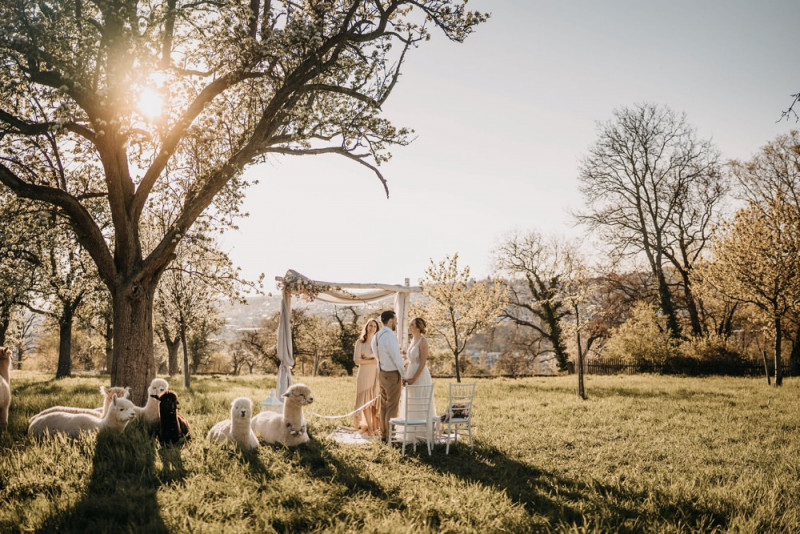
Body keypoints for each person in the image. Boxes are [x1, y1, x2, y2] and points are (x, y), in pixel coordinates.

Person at [398, 317, 438, 442]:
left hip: (420, 374)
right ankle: (411, 434)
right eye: (410, 325)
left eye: (413, 325)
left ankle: (423, 434)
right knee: (410, 400)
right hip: (410, 371)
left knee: (420, 400)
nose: (410, 327)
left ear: (419, 327)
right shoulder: (413, 340)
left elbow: (422, 362)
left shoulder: (422, 341)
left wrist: (415, 377)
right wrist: (405, 375)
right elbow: (410, 360)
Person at [372, 310, 407, 443]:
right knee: (392, 406)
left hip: (381, 373)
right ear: (391, 320)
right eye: (396, 320)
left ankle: (383, 434)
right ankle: (390, 437)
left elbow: (376, 355)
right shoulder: (390, 336)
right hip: (392, 374)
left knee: (384, 405)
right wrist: (403, 375)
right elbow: (397, 358)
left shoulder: (376, 336)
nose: (397, 322)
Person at [352, 318, 381, 434]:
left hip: (376, 374)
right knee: (366, 402)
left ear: (377, 329)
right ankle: (370, 427)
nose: (372, 328)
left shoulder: (378, 342)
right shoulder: (360, 342)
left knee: (374, 402)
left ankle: (375, 427)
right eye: (370, 325)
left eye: (374, 326)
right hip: (364, 374)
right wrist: (372, 361)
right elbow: (356, 360)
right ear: (366, 327)